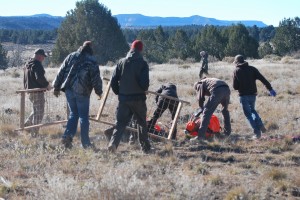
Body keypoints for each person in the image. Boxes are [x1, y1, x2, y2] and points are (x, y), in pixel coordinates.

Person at [52, 41, 103, 149]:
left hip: (69, 90)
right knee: (84, 117)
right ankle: (85, 143)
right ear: (90, 48)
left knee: (73, 114)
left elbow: (61, 71)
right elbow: (96, 78)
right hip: (82, 91)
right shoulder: (91, 60)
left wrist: (56, 86)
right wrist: (99, 91)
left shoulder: (71, 56)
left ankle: (67, 136)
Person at [108, 39, 151, 153]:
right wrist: (143, 89)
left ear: (131, 48)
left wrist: (119, 92)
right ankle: (145, 149)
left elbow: (113, 81)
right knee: (141, 124)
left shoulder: (121, 62)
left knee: (120, 123)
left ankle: (113, 144)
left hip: (124, 98)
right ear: (140, 50)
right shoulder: (143, 64)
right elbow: (144, 84)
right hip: (138, 99)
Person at [233, 55, 276, 139]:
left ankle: (257, 133)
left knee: (248, 115)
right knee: (252, 111)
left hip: (243, 96)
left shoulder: (236, 71)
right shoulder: (252, 69)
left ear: (236, 62)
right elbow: (263, 79)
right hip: (253, 95)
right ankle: (260, 125)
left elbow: (235, 87)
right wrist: (270, 89)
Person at [190, 77, 231, 142]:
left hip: (217, 90)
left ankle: (200, 137)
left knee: (206, 112)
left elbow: (200, 98)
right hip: (226, 89)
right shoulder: (208, 81)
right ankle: (227, 133)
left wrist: (201, 108)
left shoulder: (199, 84)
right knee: (225, 111)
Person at [23, 48, 52, 134]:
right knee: (39, 112)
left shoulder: (27, 64)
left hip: (30, 91)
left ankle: (28, 123)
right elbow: (39, 78)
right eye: (43, 57)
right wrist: (47, 85)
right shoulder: (37, 64)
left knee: (36, 110)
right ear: (39, 56)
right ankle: (34, 132)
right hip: (37, 91)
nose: (43, 59)